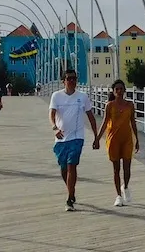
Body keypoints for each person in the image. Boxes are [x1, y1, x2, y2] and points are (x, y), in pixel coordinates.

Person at [49, 69, 98, 212]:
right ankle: (71, 190)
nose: (72, 81)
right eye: (69, 78)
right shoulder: (56, 96)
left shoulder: (82, 97)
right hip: (61, 138)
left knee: (72, 166)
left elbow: (91, 117)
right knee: (64, 168)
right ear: (63, 81)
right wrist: (54, 128)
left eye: (74, 78)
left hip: (77, 137)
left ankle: (69, 198)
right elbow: (51, 114)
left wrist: (96, 136)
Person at [94, 79, 139, 206]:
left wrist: (137, 140)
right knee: (116, 169)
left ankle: (125, 187)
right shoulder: (110, 105)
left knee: (127, 167)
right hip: (113, 139)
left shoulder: (130, 105)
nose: (119, 91)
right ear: (113, 92)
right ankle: (118, 195)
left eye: (121, 89)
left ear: (124, 90)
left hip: (127, 139)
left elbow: (133, 123)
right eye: (116, 89)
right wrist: (97, 138)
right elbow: (104, 123)